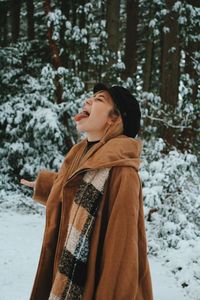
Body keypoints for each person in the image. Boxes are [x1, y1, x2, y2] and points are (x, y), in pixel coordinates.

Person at [20, 83, 154, 300]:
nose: (88, 101)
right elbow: (81, 192)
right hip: (65, 275)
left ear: (114, 118)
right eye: (91, 97)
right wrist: (45, 186)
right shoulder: (81, 155)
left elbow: (121, 257)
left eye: (99, 99)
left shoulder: (123, 172)